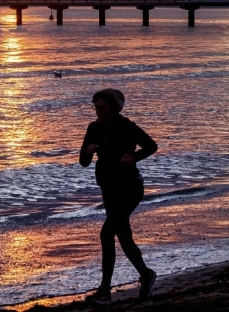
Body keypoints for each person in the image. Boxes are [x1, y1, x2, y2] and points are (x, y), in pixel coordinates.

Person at [79, 88, 158, 305]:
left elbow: (151, 146)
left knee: (106, 234)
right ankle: (146, 274)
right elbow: (83, 162)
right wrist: (88, 152)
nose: (97, 111)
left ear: (114, 107)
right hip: (108, 188)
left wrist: (134, 156)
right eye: (95, 107)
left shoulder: (127, 126)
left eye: (101, 107)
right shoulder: (93, 127)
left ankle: (105, 290)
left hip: (130, 187)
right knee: (122, 236)